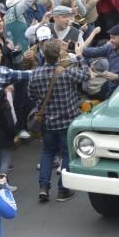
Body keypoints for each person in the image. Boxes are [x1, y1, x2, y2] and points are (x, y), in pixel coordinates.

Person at [28, 40, 91, 203]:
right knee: (67, 154)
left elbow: (31, 95)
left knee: (47, 153)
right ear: (59, 55)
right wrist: (79, 57)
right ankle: (63, 190)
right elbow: (86, 75)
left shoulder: (35, 73)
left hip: (47, 122)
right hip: (67, 121)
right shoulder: (67, 73)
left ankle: (43, 187)